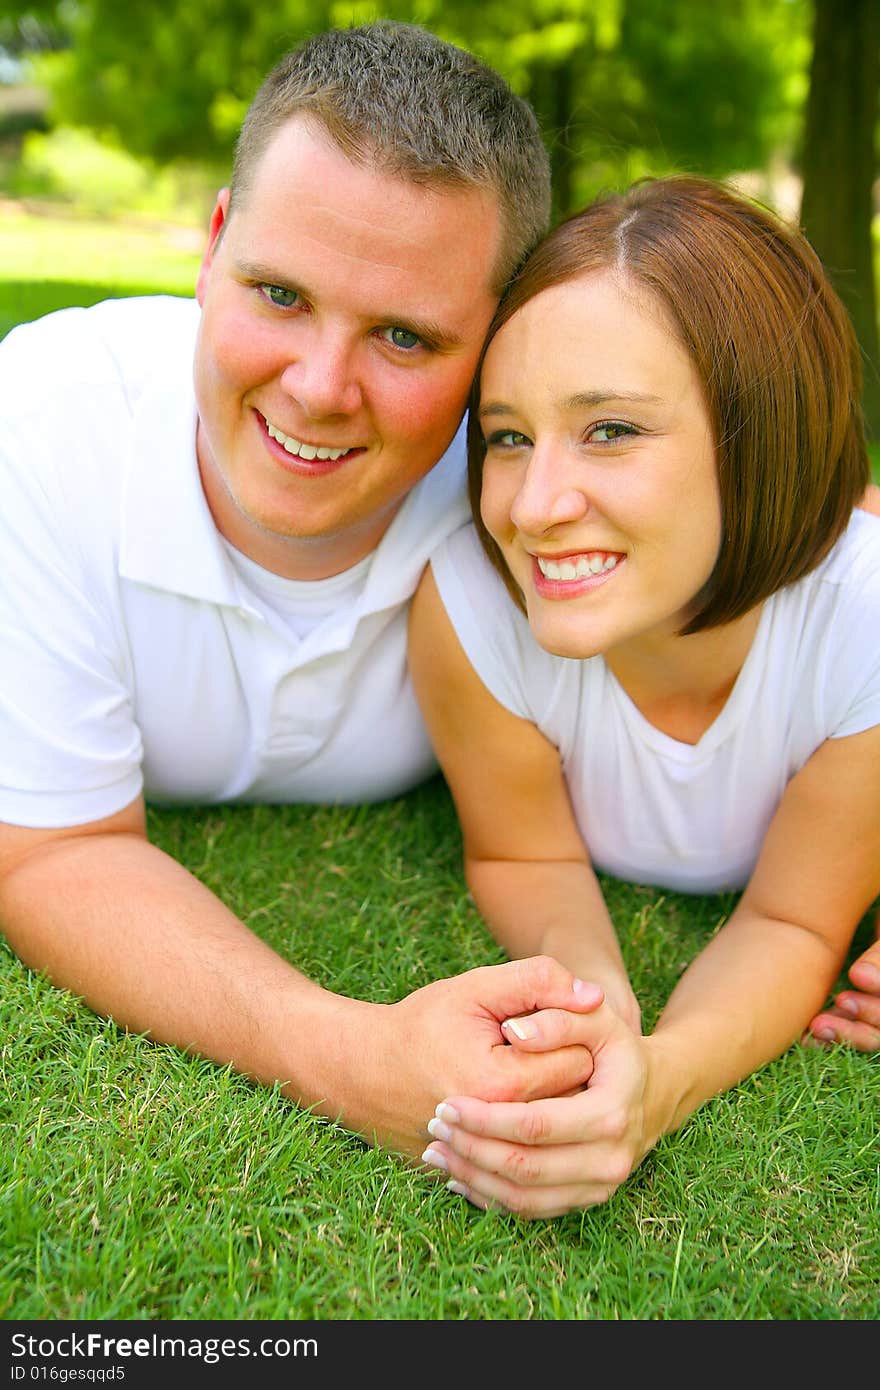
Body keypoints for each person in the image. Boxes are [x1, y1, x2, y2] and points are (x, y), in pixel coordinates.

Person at [0, 21, 606, 1163]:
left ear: (497, 347)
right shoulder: (40, 427)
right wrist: (350, 1054)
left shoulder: (540, 485)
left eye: (405, 336)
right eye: (278, 292)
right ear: (213, 243)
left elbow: (795, 577)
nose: (320, 388)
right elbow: (51, 849)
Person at [408, 174, 880, 1218]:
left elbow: (796, 921)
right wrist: (591, 1000)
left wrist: (657, 1082)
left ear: (760, 433)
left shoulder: (861, 621)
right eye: (508, 436)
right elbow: (522, 850)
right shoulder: (472, 610)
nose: (534, 507)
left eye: (610, 430)